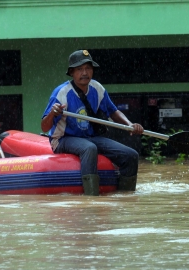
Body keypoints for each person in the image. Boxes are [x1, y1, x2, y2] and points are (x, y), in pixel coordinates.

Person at [41, 49, 144, 196]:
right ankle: (91, 197)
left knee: (131, 155)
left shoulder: (97, 88)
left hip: (91, 137)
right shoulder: (61, 92)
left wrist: (129, 124)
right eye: (80, 69)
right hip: (63, 139)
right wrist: (53, 112)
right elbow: (44, 127)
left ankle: (126, 197)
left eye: (88, 68)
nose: (85, 73)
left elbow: (113, 111)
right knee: (89, 148)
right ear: (71, 72)